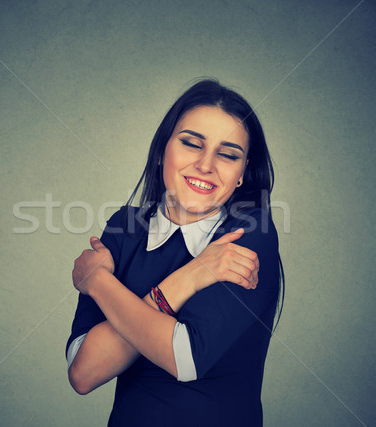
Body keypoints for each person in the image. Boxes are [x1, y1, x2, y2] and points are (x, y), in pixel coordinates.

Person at [66, 78, 284, 426]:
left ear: (242, 174)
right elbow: (84, 372)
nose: (206, 165)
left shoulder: (249, 232)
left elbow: (185, 357)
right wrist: (193, 276)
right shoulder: (125, 226)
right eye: (191, 144)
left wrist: (98, 282)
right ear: (160, 152)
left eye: (228, 155)